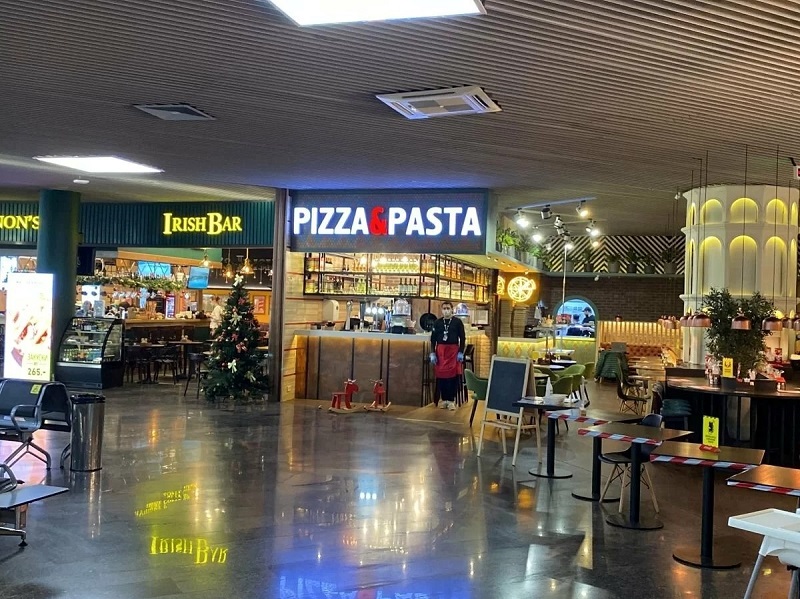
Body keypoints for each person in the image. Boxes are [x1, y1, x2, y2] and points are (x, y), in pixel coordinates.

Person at [430, 301, 466, 411]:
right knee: (441, 376)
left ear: (452, 309)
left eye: (448, 308)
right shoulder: (437, 322)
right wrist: (432, 353)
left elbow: (462, 338)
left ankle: (451, 400)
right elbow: (433, 339)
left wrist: (461, 351)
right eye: (444, 308)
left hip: (453, 351)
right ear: (441, 310)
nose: (446, 310)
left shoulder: (457, 322)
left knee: (452, 376)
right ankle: (444, 399)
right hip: (441, 352)